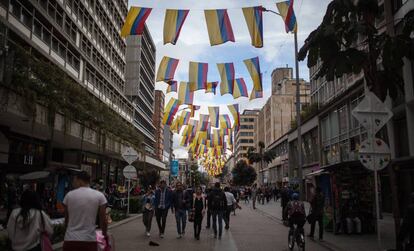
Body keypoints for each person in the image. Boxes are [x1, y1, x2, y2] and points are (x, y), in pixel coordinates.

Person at [62, 171, 107, 251]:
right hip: (89, 240)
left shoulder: (69, 195)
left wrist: (66, 233)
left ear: (79, 180)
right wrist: (104, 234)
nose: (73, 182)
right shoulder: (99, 195)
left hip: (70, 239)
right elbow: (103, 220)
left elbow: (66, 219)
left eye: (74, 180)